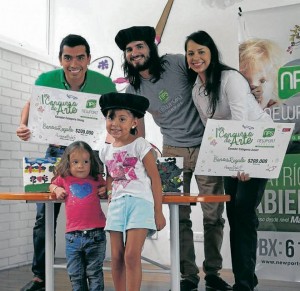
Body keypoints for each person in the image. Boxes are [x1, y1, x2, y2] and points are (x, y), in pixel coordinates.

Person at [115, 26, 231, 291]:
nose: (135, 53)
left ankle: (212, 272)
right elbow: (137, 132)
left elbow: (210, 78)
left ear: (150, 47)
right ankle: (187, 275)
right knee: (180, 217)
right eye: (129, 49)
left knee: (213, 214)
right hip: (171, 153)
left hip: (207, 146)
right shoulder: (133, 88)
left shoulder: (177, 63)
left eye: (140, 46)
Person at [16, 34, 116, 291]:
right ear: (60, 59)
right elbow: (31, 105)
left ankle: (106, 271)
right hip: (57, 150)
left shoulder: (104, 83)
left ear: (88, 59)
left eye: (80, 57)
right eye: (68, 57)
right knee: (44, 213)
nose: (74, 63)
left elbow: (114, 115)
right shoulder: (45, 80)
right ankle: (40, 277)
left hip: (90, 152)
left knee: (103, 202)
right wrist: (23, 124)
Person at [185, 30, 273, 291]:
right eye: (191, 53)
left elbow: (241, 122)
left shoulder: (230, 78)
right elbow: (212, 130)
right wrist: (227, 163)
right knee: (234, 213)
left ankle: (244, 282)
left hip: (256, 145)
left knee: (243, 212)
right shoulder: (197, 89)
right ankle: (246, 276)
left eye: (201, 51)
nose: (196, 57)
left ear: (211, 53)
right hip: (230, 153)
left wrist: (242, 164)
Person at [98, 92, 166, 291]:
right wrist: (110, 196)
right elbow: (110, 176)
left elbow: (155, 178)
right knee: (117, 256)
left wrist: (158, 211)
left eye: (122, 118)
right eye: (111, 117)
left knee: (131, 255)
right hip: (117, 205)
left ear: (134, 122)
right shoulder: (106, 150)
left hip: (140, 203)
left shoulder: (140, 145)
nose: (115, 123)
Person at [49, 141, 107, 291]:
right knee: (76, 275)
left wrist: (106, 188)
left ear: (91, 162)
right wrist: (56, 189)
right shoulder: (64, 178)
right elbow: (51, 184)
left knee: (94, 273)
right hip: (73, 237)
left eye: (85, 162)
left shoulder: (96, 178)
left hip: (96, 235)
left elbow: (109, 185)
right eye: (75, 162)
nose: (81, 166)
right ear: (68, 163)